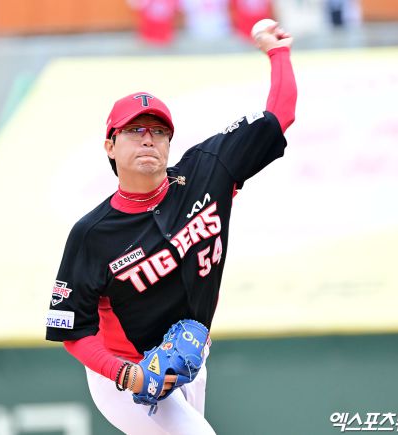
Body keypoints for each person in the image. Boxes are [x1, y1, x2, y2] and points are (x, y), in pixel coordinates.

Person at [46, 22, 297, 435]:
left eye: (159, 131)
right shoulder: (92, 234)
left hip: (190, 359)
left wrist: (277, 53)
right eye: (135, 130)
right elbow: (72, 330)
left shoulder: (207, 172)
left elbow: (279, 117)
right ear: (110, 145)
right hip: (125, 371)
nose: (149, 139)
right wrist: (127, 374)